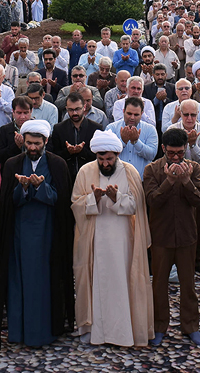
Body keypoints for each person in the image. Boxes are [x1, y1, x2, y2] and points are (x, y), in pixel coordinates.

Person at [0, 119, 74, 348]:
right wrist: (23, 188)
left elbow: (61, 200)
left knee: (44, 282)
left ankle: (43, 332)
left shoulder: (57, 164)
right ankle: (18, 332)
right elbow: (8, 202)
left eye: (37, 143)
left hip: (47, 234)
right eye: (29, 143)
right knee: (18, 281)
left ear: (45, 142)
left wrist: (40, 187)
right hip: (19, 234)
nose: (33, 148)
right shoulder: (12, 164)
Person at [71, 129, 153, 347]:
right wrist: (93, 198)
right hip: (95, 238)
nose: (105, 163)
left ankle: (124, 331)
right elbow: (75, 204)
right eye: (101, 159)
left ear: (117, 155)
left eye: (109, 159)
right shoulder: (85, 171)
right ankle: (95, 330)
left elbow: (138, 207)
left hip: (123, 239)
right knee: (96, 281)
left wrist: (117, 198)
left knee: (122, 282)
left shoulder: (130, 172)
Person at [143, 128, 200, 346]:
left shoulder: (195, 168)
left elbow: (198, 201)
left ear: (186, 148)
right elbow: (152, 201)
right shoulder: (152, 170)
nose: (177, 157)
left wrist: (187, 181)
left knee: (188, 285)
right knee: (159, 284)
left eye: (180, 152)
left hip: (187, 236)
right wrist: (169, 181)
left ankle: (191, 327)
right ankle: (159, 326)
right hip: (161, 236)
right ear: (163, 149)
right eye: (171, 153)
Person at [166, 98, 200, 272]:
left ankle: (197, 260)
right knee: (175, 219)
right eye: (186, 114)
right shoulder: (172, 129)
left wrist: (192, 144)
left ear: (198, 115)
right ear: (180, 114)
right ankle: (174, 262)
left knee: (197, 221)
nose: (190, 118)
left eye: (193, 115)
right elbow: (171, 157)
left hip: (197, 177)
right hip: (175, 177)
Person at [51, 92, 105, 181]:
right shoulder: (59, 129)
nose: (75, 113)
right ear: (66, 109)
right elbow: (55, 156)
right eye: (71, 110)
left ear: (84, 107)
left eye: (77, 109)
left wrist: (82, 151)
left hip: (90, 176)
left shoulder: (96, 128)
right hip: (66, 177)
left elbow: (99, 155)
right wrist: (68, 152)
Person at [105, 96, 159, 180]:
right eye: (129, 113)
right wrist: (122, 142)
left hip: (141, 181)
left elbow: (151, 155)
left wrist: (136, 142)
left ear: (142, 113)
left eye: (136, 114)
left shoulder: (150, 129)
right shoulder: (111, 128)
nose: (132, 117)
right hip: (116, 179)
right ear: (123, 111)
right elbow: (106, 154)